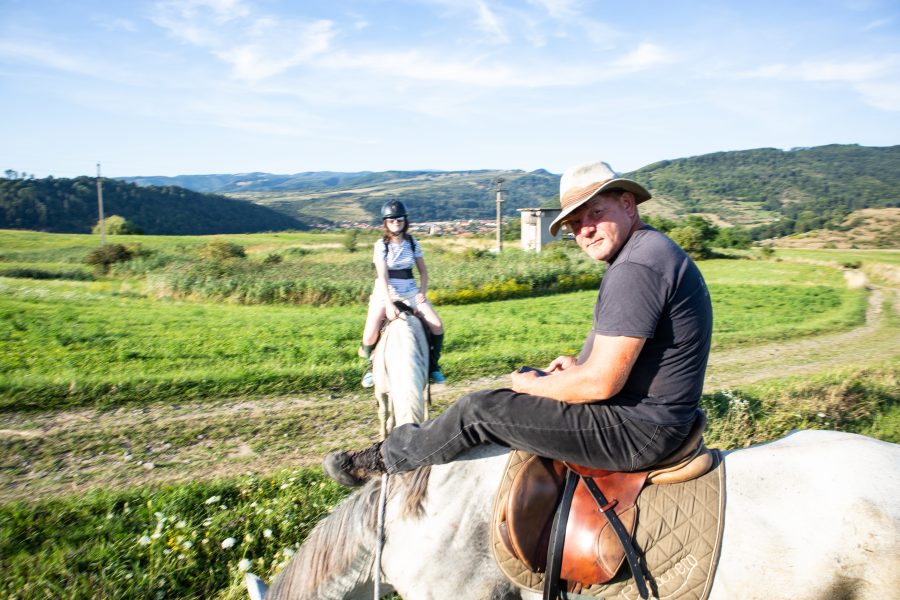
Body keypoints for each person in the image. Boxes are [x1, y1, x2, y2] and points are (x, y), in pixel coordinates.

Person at [325, 161, 713, 486]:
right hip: (653, 418)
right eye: (576, 223)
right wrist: (577, 366)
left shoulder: (636, 266)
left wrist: (537, 385)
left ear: (628, 204)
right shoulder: (649, 250)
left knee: (479, 410)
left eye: (595, 213)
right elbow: (626, 360)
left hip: (636, 430)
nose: (585, 230)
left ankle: (381, 461)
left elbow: (601, 384)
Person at [358, 199, 445, 388]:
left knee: (437, 325)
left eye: (399, 219)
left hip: (410, 291)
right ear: (385, 223)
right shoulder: (381, 245)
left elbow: (423, 272)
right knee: (369, 336)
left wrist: (422, 292)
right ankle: (371, 366)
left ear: (405, 221)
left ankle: (433, 366)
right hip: (385, 292)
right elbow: (382, 275)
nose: (396, 223)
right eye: (391, 220)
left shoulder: (413, 243)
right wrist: (388, 304)